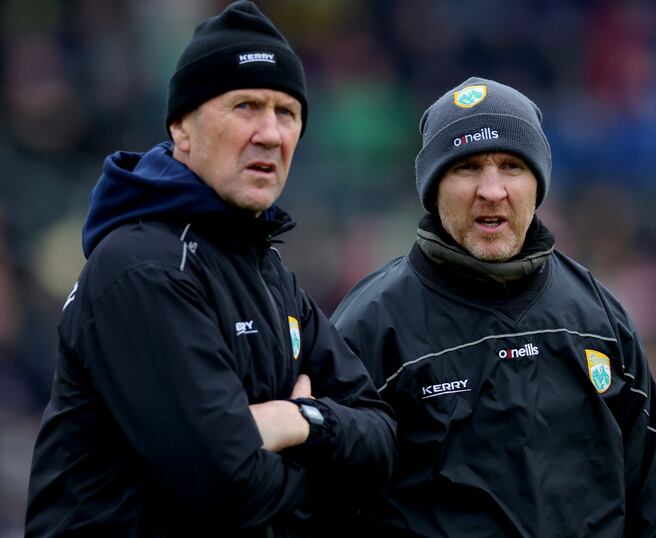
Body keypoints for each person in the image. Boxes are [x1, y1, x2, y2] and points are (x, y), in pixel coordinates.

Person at [25, 2, 396, 536]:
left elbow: (382, 439)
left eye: (286, 113)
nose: (271, 133)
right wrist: (327, 472)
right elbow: (227, 487)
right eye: (246, 106)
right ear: (182, 130)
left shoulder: (268, 270)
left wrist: (297, 420)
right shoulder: (141, 267)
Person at [332, 77, 656, 537]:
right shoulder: (369, 326)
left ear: (538, 183)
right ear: (433, 186)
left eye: (511, 166)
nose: (492, 190)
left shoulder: (599, 318)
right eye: (467, 167)